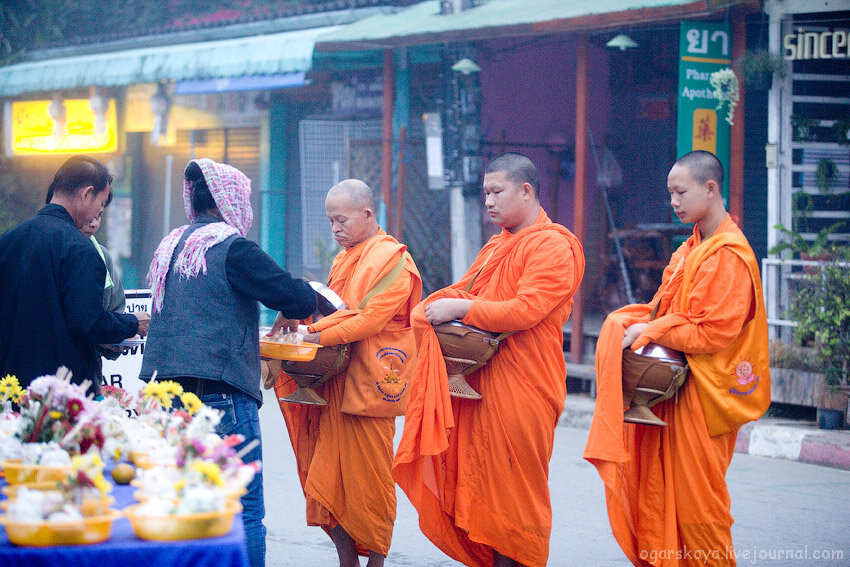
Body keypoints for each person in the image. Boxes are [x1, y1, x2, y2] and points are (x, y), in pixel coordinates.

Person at [393, 153, 585, 567]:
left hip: (524, 386)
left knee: (514, 499)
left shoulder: (553, 245)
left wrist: (460, 309)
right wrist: (439, 305)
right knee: (484, 494)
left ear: (526, 190)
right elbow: (469, 290)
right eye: (485, 194)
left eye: (497, 192)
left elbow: (525, 310)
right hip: (480, 380)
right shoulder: (499, 244)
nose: (489, 202)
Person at [583, 150, 771, 566]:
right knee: (661, 500)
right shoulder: (691, 248)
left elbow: (711, 331)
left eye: (680, 192)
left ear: (710, 188)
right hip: (678, 390)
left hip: (705, 397)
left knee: (699, 512)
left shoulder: (728, 254)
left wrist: (649, 330)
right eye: (670, 193)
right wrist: (637, 323)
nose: (673, 201)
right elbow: (665, 309)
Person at [139, 158, 316, 567]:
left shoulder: (172, 245)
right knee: (243, 507)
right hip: (218, 392)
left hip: (163, 397)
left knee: (181, 504)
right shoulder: (232, 248)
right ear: (230, 200)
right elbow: (296, 298)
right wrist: (302, 300)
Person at [270, 179, 422, 567]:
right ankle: (347, 561)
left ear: (368, 215)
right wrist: (298, 322)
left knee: (370, 485)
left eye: (341, 219)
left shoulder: (393, 258)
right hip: (333, 378)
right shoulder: (344, 258)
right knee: (324, 483)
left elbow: (369, 320)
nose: (334, 228)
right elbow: (333, 309)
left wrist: (311, 334)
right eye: (330, 220)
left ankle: (375, 563)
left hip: (370, 382)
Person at [0, 155, 148, 392]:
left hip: (9, 394)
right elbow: (89, 323)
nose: (97, 214)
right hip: (62, 401)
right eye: (100, 204)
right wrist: (132, 323)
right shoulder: (81, 250)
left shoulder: (8, 242)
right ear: (86, 193)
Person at [80, 210, 127, 384]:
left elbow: (116, 310)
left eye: (98, 216)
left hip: (91, 375)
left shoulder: (102, 255)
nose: (93, 224)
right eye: (89, 216)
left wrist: (117, 340)